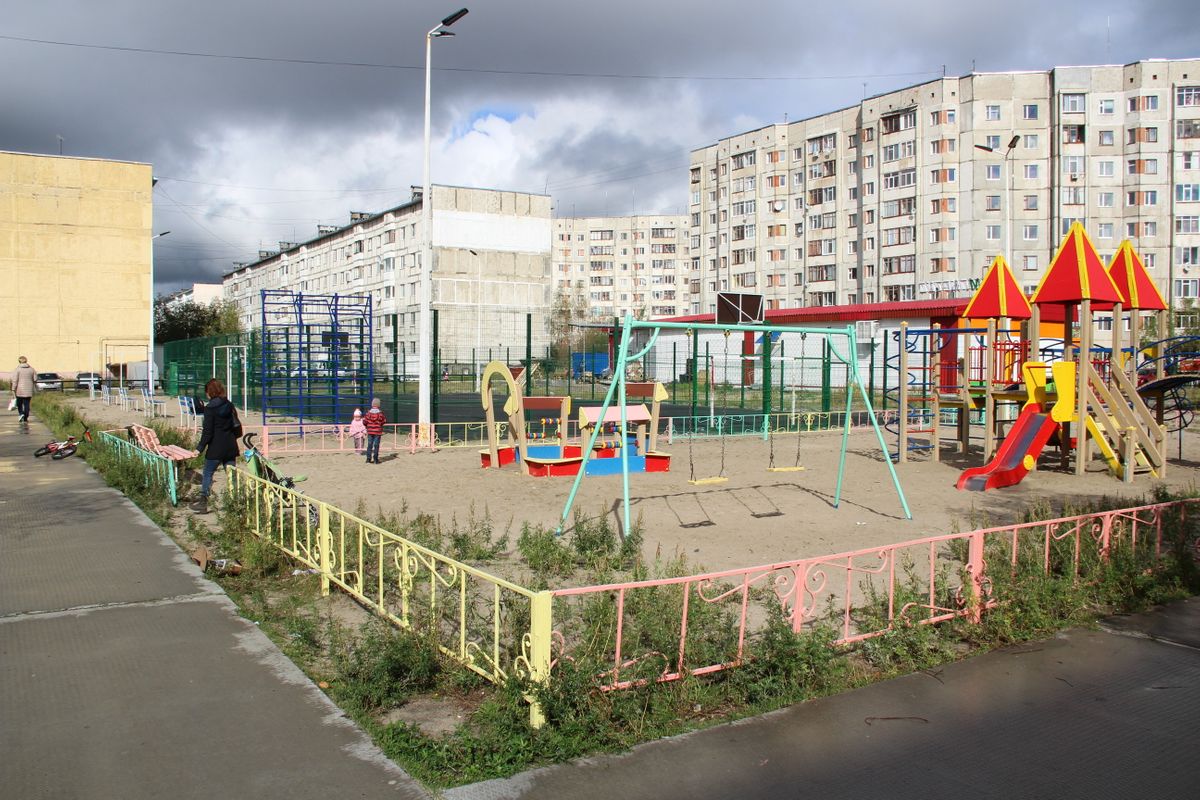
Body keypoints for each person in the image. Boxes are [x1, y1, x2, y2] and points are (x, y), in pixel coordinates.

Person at [189, 378, 242, 513]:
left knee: (207, 473)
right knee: (231, 475)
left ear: (209, 392)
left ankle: (203, 502)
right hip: (230, 446)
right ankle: (235, 503)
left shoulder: (210, 409)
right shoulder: (229, 405)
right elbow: (235, 424)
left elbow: (208, 433)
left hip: (215, 448)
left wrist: (199, 449)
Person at [10, 356, 36, 422]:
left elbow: (15, 380)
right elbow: (35, 379)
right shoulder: (32, 369)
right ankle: (26, 417)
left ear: (19, 361)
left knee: (19, 404)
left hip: (19, 390)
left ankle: (21, 414)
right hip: (29, 390)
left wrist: (13, 389)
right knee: (27, 404)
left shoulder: (17, 369)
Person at [362, 398, 386, 464]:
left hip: (370, 431)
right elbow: (384, 421)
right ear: (379, 405)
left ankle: (368, 459)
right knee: (376, 445)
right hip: (378, 431)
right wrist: (379, 425)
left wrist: (368, 425)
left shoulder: (368, 413)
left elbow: (364, 421)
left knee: (369, 445)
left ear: (372, 404)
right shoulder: (380, 414)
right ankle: (375, 459)